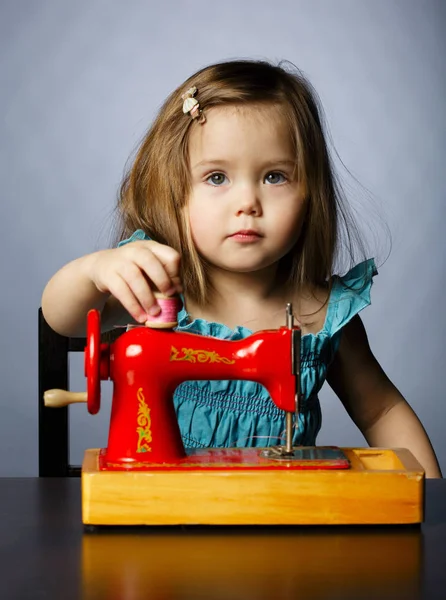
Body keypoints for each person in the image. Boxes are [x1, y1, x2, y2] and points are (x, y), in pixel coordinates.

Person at [42, 59, 442, 478]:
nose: (247, 202)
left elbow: (381, 410)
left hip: (282, 518)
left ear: (311, 194)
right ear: (174, 191)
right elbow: (62, 320)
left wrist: (432, 499)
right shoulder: (157, 290)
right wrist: (95, 271)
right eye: (217, 178)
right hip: (171, 515)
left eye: (274, 176)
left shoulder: (325, 315)